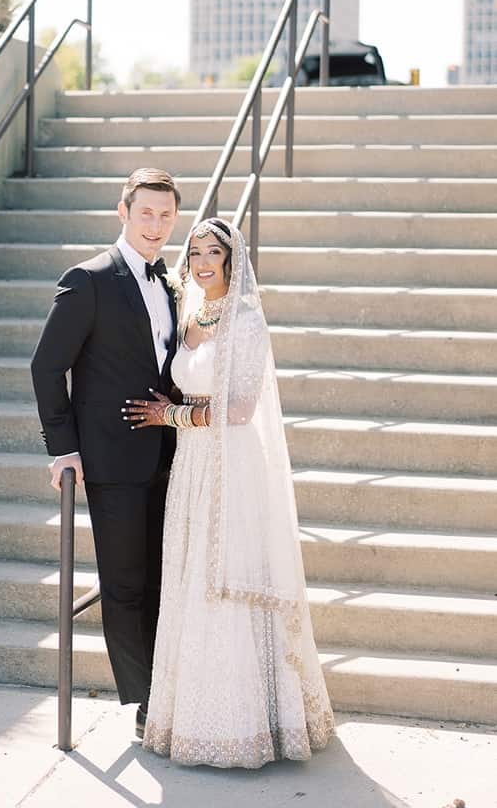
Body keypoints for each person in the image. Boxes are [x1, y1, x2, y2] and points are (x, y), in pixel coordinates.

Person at [122, 217, 335, 768]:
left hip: (232, 465)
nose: (202, 260)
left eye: (213, 251)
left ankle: (250, 724)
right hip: (191, 465)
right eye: (194, 252)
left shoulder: (245, 320)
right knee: (191, 578)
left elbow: (239, 409)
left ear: (232, 259)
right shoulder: (190, 315)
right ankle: (191, 716)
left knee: (227, 579)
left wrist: (169, 414)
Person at [31, 167, 181, 739]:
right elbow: (47, 367)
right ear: (123, 212)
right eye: (145, 213)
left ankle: (170, 686)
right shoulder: (88, 279)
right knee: (124, 583)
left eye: (166, 215)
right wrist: (63, 450)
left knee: (166, 577)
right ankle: (146, 704)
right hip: (110, 460)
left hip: (169, 456)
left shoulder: (170, 282)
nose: (156, 225)